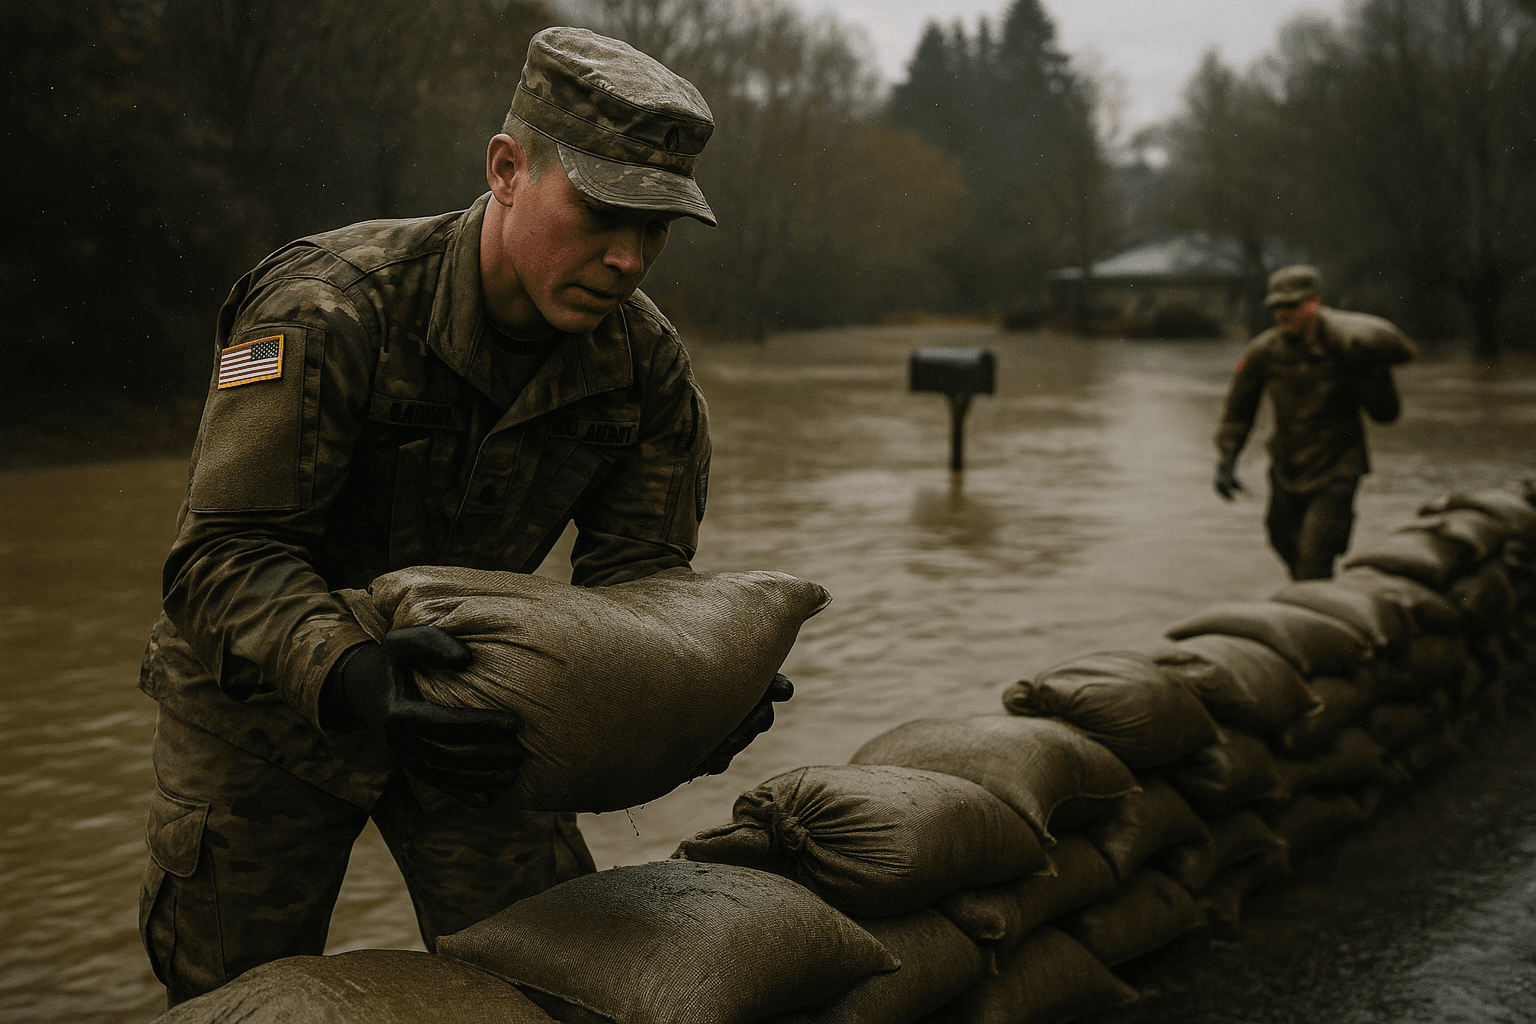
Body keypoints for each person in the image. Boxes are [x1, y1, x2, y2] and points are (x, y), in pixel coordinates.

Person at [137, 26, 787, 1006]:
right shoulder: (331, 308)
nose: (627, 257)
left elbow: (635, 596)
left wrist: (685, 691)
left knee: (563, 980)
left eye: (655, 229)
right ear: (507, 168)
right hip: (258, 716)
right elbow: (219, 558)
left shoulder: (644, 370)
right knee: (239, 995)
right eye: (605, 211)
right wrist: (353, 672)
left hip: (473, 712)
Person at [1212, 264, 1415, 580]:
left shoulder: (1345, 345)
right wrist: (1227, 459)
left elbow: (1386, 415)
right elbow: (1238, 410)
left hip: (1336, 467)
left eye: (1291, 305)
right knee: (1282, 541)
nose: (1282, 314)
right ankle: (1316, 609)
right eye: (1276, 306)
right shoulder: (1264, 352)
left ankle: (1313, 613)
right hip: (1287, 465)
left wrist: (1373, 374)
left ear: (1314, 302)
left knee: (1314, 556)